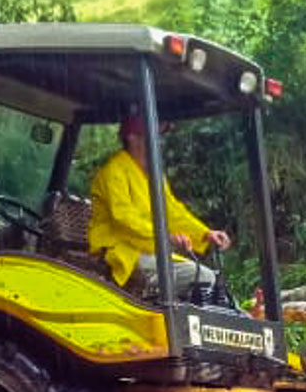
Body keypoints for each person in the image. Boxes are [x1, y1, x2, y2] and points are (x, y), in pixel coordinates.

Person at [89, 114, 231, 299]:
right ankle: (160, 309)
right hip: (122, 252)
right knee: (202, 277)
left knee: (211, 283)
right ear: (132, 137)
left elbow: (172, 211)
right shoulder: (114, 171)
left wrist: (205, 233)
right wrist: (165, 237)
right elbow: (123, 216)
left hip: (150, 252)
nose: (158, 142)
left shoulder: (154, 175)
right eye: (153, 135)